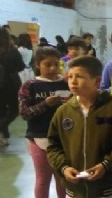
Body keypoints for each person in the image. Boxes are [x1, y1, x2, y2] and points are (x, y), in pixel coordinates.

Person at [47, 56, 112, 198]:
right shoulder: (63, 112)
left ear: (96, 81)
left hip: (108, 189)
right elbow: (53, 146)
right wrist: (64, 168)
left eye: (79, 76)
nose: (73, 81)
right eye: (70, 76)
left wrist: (106, 164)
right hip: (74, 191)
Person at [18, 47, 68, 198]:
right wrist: (45, 104)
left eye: (56, 64)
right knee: (43, 180)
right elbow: (24, 113)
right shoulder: (30, 85)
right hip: (38, 138)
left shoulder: (66, 83)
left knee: (62, 178)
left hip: (64, 139)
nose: (53, 68)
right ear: (37, 65)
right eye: (47, 64)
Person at [0, 27, 25, 146]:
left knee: (2, 111)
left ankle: (3, 137)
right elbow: (20, 66)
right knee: (14, 109)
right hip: (11, 83)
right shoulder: (12, 50)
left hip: (5, 83)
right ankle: (2, 133)